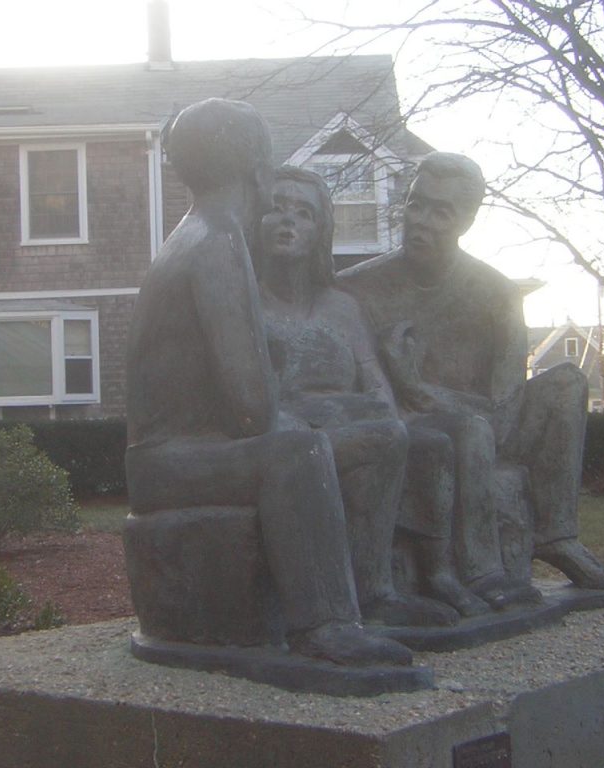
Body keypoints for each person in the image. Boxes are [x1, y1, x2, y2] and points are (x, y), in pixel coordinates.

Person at [124, 99, 413, 667]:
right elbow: (254, 413)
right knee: (296, 451)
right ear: (257, 169)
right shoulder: (216, 244)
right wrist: (317, 421)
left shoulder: (203, 234)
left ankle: (367, 592)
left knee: (378, 433)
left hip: (189, 450)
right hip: (170, 465)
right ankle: (324, 625)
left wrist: (338, 413)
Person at [338, 152, 604, 592]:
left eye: (442, 211)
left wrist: (416, 385)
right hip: (409, 427)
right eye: (417, 204)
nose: (422, 221)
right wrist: (410, 395)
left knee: (566, 382)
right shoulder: (357, 287)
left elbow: (504, 416)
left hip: (484, 426)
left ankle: (558, 537)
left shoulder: (497, 293)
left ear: (467, 221)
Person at [256, 165, 487, 620]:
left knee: (435, 443)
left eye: (304, 213)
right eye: (276, 209)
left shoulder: (341, 307)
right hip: (294, 438)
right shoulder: (245, 303)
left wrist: (385, 408)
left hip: (359, 420)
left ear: (321, 229)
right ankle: (370, 592)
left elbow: (376, 386)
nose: (288, 221)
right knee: (385, 439)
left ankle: (438, 573)